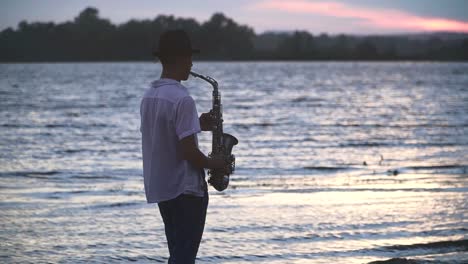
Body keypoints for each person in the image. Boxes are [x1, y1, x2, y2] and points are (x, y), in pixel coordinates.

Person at [140, 29, 228, 263]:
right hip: (186, 191)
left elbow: (164, 135)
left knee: (177, 255)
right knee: (184, 258)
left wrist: (197, 124)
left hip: (163, 189)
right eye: (189, 57)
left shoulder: (150, 96)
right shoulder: (182, 98)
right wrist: (215, 163)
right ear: (179, 58)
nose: (192, 63)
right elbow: (189, 153)